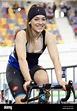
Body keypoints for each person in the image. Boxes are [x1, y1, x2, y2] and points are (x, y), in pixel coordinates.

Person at [6, 4, 67, 104]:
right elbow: (22, 59)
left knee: (44, 79)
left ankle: (42, 99)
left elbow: (56, 59)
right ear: (30, 21)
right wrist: (28, 80)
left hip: (32, 67)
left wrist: (60, 80)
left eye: (43, 19)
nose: (40, 23)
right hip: (15, 69)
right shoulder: (22, 35)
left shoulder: (48, 36)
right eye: (36, 19)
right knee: (22, 102)